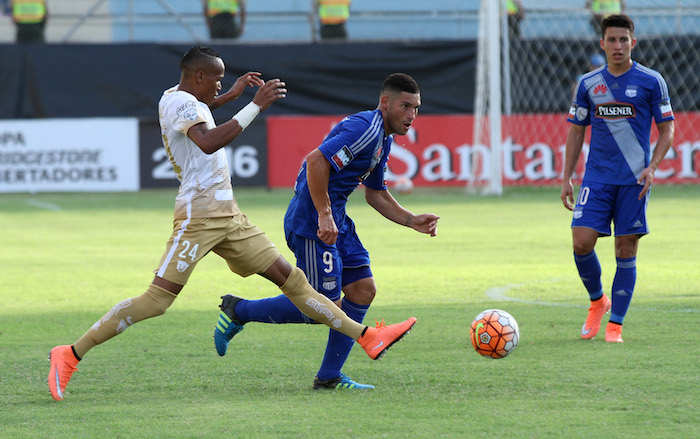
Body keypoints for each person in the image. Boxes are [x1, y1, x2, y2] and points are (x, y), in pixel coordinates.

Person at [47, 46, 418, 402]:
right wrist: (254, 105)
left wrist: (231, 97)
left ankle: (368, 337)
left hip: (230, 217)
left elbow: (201, 108)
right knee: (157, 301)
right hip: (199, 217)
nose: (221, 86)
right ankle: (70, 353)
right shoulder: (181, 103)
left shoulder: (175, 97)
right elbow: (207, 142)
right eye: (218, 80)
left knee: (295, 283)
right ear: (198, 76)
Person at [214, 73, 439, 390]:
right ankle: (239, 310)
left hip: (336, 217)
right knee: (323, 305)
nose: (412, 115)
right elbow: (316, 161)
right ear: (385, 102)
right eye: (405, 106)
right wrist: (323, 214)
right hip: (312, 219)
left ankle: (329, 377)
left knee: (362, 289)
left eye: (416, 108)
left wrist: (410, 219)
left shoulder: (383, 140)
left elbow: (375, 193)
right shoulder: (365, 128)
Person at [561, 15, 675, 343]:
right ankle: (598, 302)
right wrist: (567, 176)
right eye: (611, 40)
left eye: (623, 40)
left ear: (632, 43)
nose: (617, 46)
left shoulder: (651, 81)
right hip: (596, 178)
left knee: (626, 248)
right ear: (602, 43)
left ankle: (616, 325)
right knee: (581, 241)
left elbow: (668, 129)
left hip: (634, 181)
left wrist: (652, 167)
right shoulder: (589, 84)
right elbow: (576, 131)